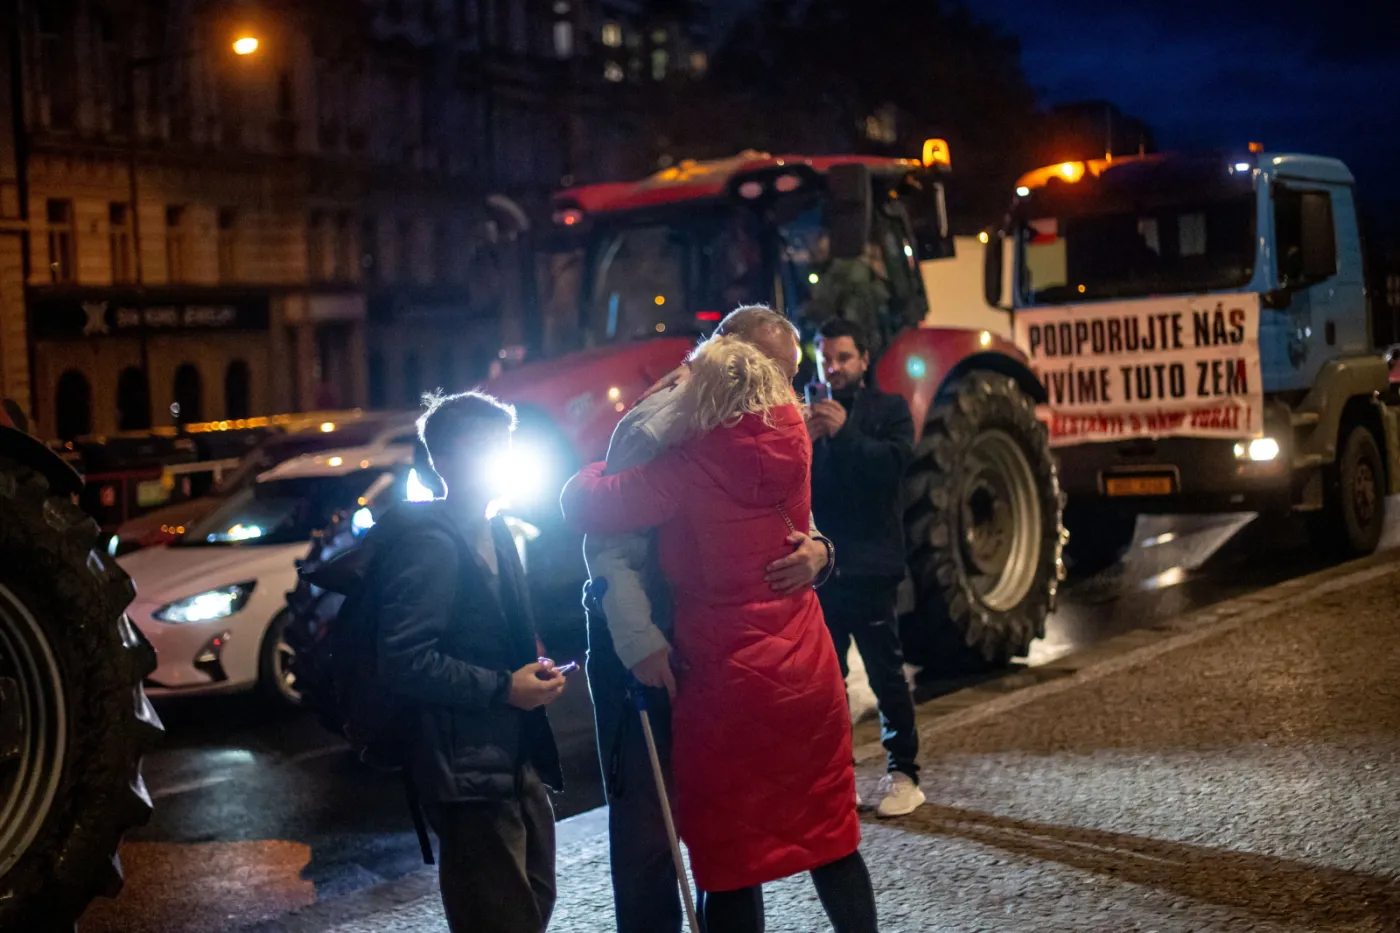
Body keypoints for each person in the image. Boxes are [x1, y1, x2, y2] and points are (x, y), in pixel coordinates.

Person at [563, 336, 878, 933]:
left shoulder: (688, 464)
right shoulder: (796, 441)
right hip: (807, 668)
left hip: (727, 678)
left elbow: (587, 507)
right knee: (831, 835)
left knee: (731, 856)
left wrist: (595, 465)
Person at [376, 390, 567, 933]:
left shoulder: (498, 529)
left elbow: (493, 635)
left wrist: (531, 670)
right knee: (499, 918)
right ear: (444, 461)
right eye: (485, 447)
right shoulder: (431, 544)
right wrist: (503, 687)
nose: (500, 458)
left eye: (504, 445)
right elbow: (404, 658)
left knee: (534, 902)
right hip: (463, 769)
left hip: (514, 758)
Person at [808, 318, 924, 818]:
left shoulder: (889, 409)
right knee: (826, 682)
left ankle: (904, 775)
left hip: (872, 566)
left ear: (864, 360)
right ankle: (839, 777)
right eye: (825, 359)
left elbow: (893, 467)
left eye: (843, 358)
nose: (832, 369)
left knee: (885, 675)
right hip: (824, 570)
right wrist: (804, 440)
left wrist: (845, 433)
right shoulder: (805, 415)